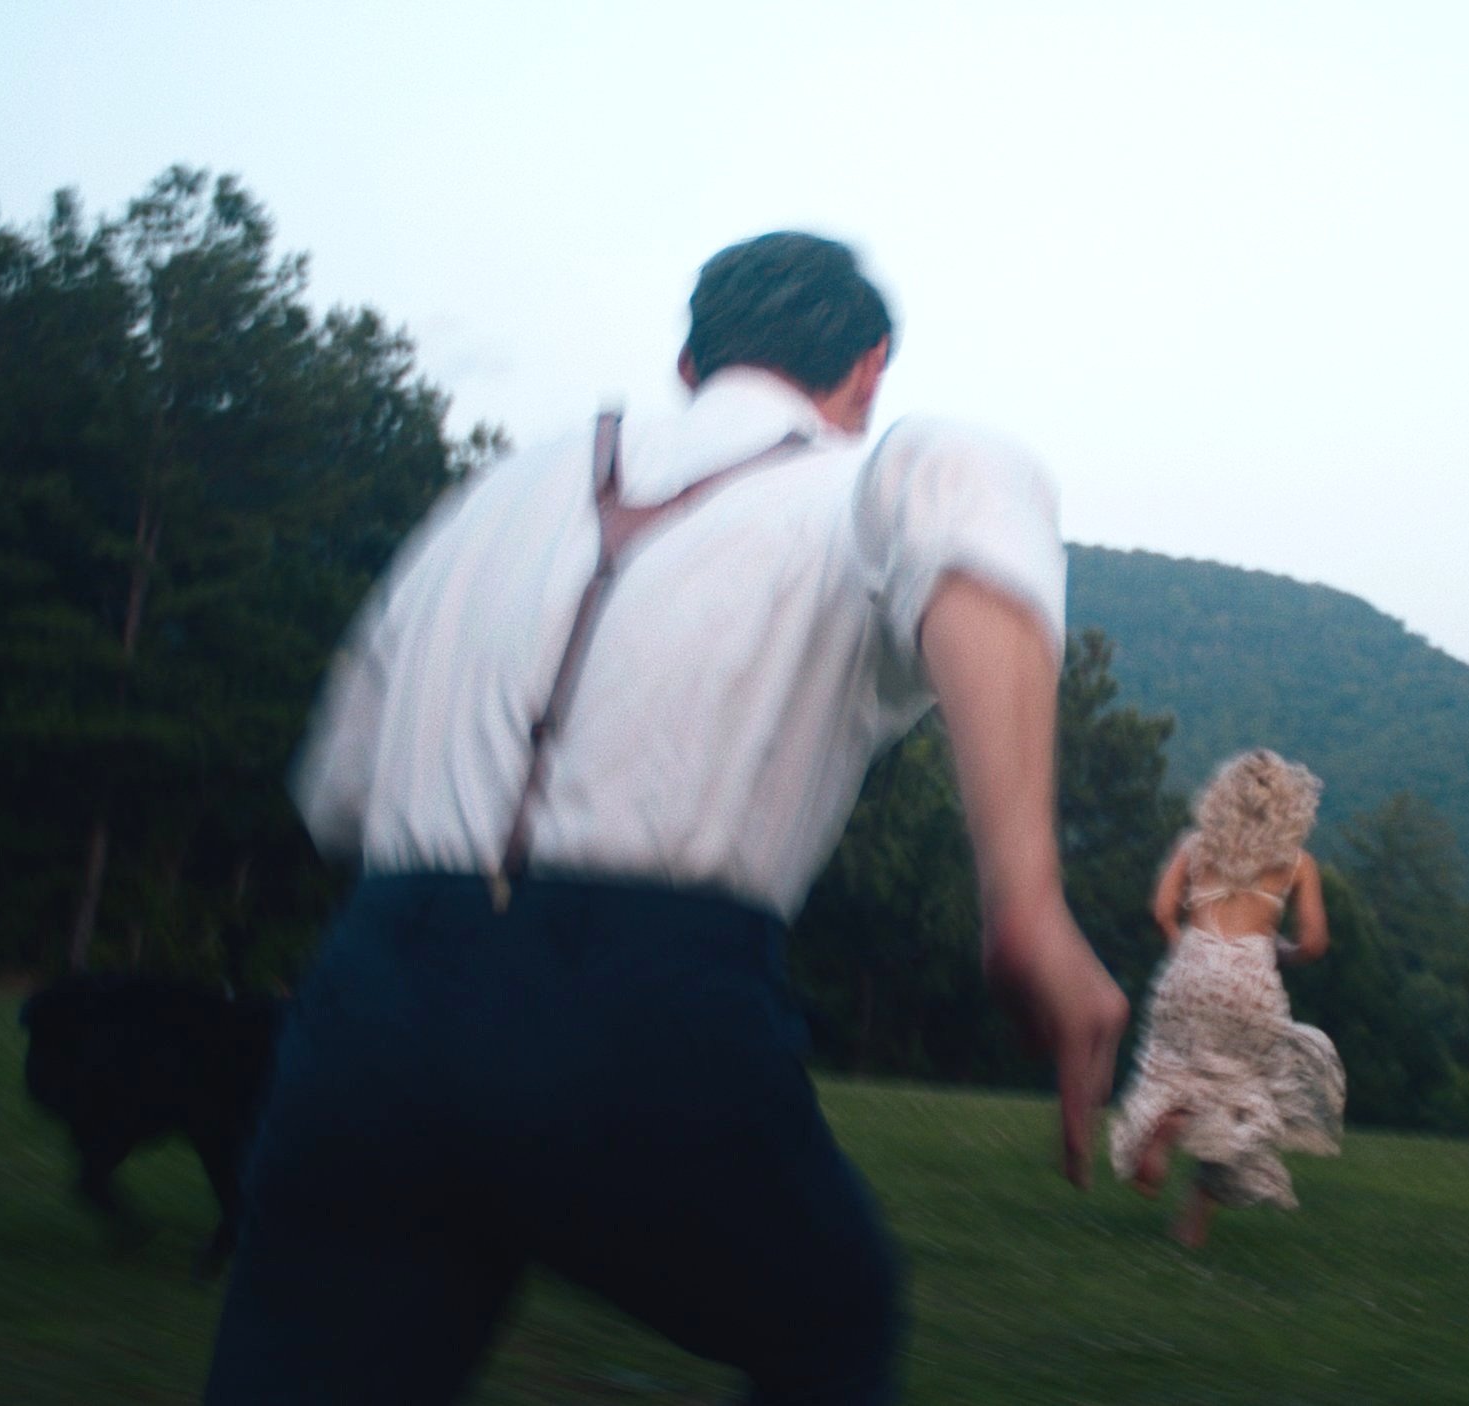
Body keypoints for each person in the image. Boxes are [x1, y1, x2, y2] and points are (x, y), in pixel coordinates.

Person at [203, 231, 1130, 1405]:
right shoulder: (858, 480)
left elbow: (340, 783)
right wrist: (1027, 902)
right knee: (829, 1318)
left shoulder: (496, 492)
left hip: (375, 988)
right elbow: (961, 485)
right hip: (637, 995)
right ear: (868, 368)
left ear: (690, 360)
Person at [1108, 749, 1344, 1248]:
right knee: (1240, 1098)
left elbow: (1160, 910)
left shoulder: (1196, 846)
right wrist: (1279, 953)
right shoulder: (1297, 863)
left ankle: (1169, 1121)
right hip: (1251, 980)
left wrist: (1185, 947)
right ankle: (1194, 1223)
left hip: (1191, 970)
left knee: (1173, 1068)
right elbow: (1317, 943)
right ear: (1288, 806)